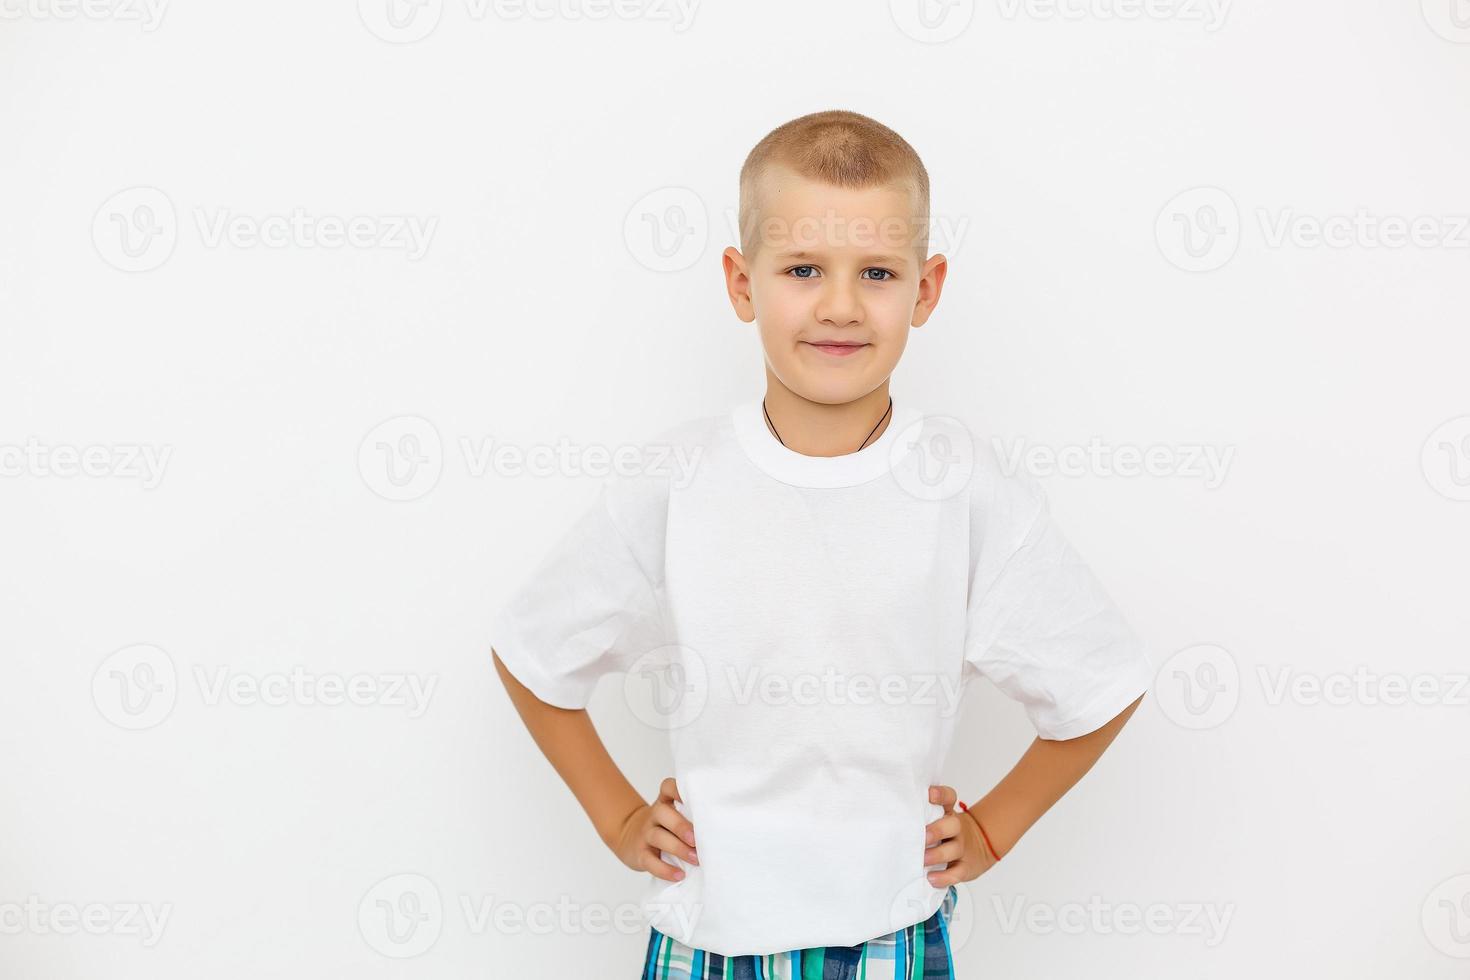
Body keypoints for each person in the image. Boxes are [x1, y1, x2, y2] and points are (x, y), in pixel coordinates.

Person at [490, 109, 1152, 978]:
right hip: (710, 932)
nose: (840, 304)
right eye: (803, 268)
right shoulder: (679, 478)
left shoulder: (962, 484)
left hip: (890, 929)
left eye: (876, 271)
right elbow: (532, 651)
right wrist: (617, 816)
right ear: (741, 282)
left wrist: (996, 826)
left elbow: (1100, 680)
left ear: (925, 288)